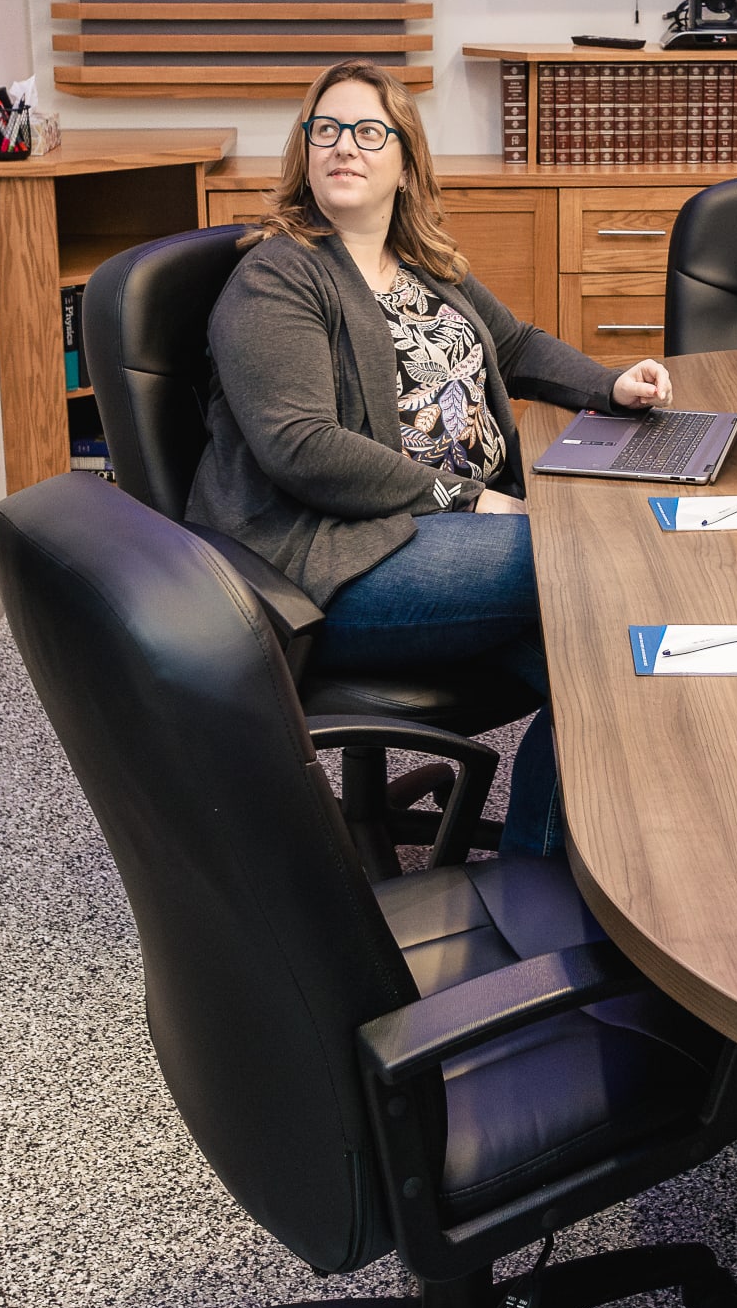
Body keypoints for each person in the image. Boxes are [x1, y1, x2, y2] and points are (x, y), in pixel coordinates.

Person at [188, 60, 671, 854]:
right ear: (305, 153)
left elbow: (513, 345)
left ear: (405, 162)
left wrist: (612, 382)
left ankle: (541, 883)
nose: (346, 146)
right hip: (326, 555)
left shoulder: (419, 268)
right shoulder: (276, 276)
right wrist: (467, 499)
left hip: (435, 541)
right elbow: (302, 449)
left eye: (369, 132)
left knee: (601, 658)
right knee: (584, 558)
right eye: (328, 130)